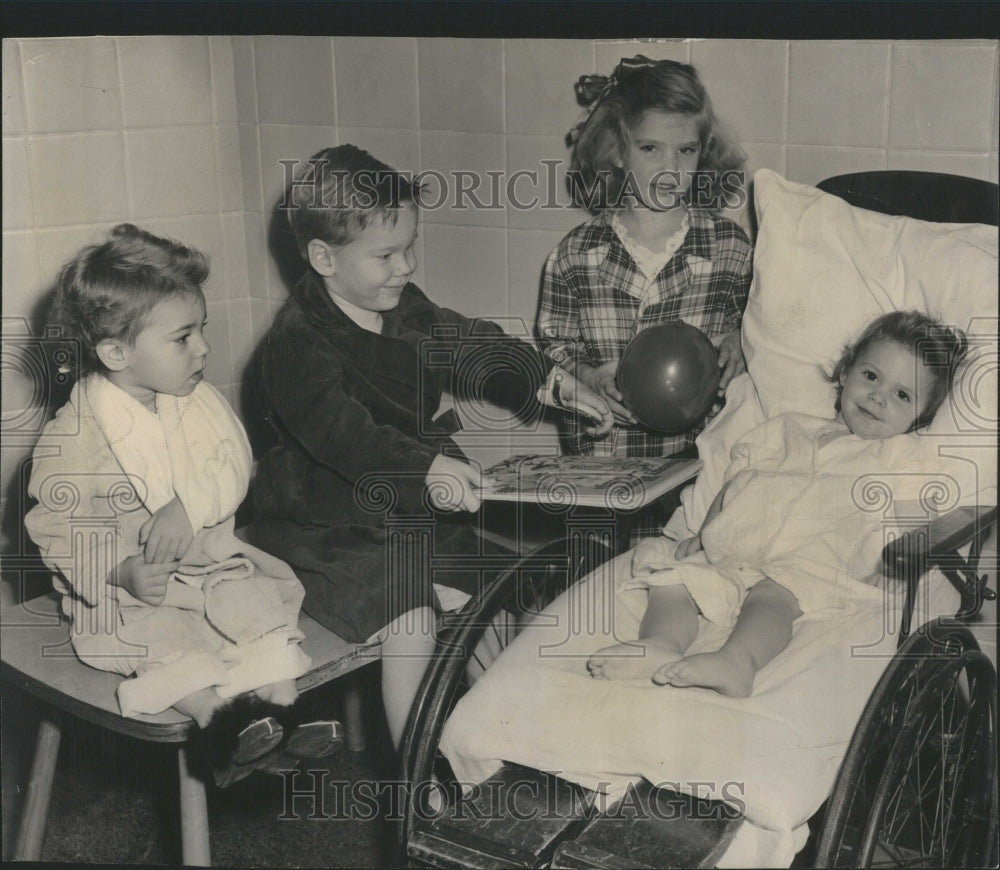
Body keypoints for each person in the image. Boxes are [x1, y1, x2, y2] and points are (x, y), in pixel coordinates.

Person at [247, 144, 612, 748]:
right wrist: (427, 467)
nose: (406, 266)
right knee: (409, 612)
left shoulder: (402, 306)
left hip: (411, 503)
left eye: (410, 247)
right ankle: (416, 779)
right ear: (323, 258)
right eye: (387, 254)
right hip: (328, 522)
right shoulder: (294, 344)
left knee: (497, 581)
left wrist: (549, 379)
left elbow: (470, 341)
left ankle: (501, 745)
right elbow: (347, 437)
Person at [25, 225, 341, 787]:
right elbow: (55, 525)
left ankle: (285, 708)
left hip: (210, 568)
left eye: (202, 330)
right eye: (183, 337)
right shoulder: (76, 436)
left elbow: (231, 462)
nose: (204, 349)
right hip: (132, 594)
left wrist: (188, 508)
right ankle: (219, 725)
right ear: (116, 352)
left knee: (256, 608)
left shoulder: (193, 401)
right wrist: (120, 571)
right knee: (170, 643)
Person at [587, 310, 968, 696]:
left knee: (773, 595)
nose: (878, 397)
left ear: (921, 418)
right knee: (672, 575)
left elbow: (916, 512)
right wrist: (704, 535)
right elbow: (737, 479)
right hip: (736, 546)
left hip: (810, 560)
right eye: (871, 376)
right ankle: (660, 644)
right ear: (845, 372)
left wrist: (897, 563)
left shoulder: (899, 455)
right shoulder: (789, 427)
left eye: (902, 396)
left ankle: (738, 661)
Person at [539, 55, 752, 471]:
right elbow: (556, 348)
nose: (670, 169)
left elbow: (755, 325)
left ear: (703, 152)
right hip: (603, 463)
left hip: (702, 463)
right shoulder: (575, 255)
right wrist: (589, 375)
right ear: (617, 151)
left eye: (686, 150)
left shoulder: (730, 246)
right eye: (651, 149)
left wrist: (741, 342)